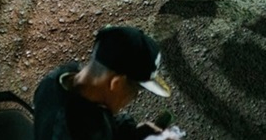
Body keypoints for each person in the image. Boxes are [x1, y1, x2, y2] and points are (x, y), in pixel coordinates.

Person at [33, 25, 173, 140]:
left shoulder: (59, 77)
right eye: (135, 90)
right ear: (116, 83)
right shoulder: (83, 131)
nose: (134, 97)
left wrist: (132, 133)